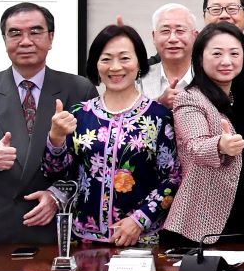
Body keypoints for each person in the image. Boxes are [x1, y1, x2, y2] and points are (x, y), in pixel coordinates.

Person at [0, 3, 94, 244]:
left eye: (35, 32)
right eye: (15, 33)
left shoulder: (79, 88)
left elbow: (89, 158)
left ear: (51, 38)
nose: (26, 41)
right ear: (5, 39)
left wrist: (57, 194)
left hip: (55, 225)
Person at [42, 25, 179, 246]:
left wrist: (139, 220)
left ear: (139, 63)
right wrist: (55, 138)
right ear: (96, 65)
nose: (115, 67)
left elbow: (173, 178)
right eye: (106, 59)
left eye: (124, 58)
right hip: (85, 240)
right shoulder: (79, 114)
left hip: (140, 241)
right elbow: (55, 173)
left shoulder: (158, 116)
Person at [161, 22, 244, 247]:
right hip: (201, 224)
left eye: (234, 53)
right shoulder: (189, 98)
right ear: (199, 58)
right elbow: (195, 145)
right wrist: (220, 145)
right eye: (217, 53)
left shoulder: (240, 99)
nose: (226, 61)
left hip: (240, 216)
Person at [139, 3, 197, 107]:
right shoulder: (139, 78)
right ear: (154, 37)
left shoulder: (209, 77)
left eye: (180, 31)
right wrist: (158, 104)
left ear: (195, 36)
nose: (172, 39)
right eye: (165, 31)